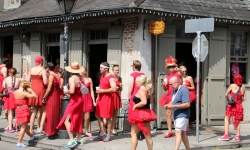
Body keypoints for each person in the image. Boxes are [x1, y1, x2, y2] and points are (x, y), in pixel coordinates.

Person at [56, 61, 84, 148]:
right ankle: (79, 139)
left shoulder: (72, 79)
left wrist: (65, 91)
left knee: (66, 120)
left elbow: (72, 91)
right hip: (80, 100)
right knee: (78, 119)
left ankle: (72, 140)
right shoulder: (80, 78)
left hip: (74, 101)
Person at [128, 75, 156, 150]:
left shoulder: (141, 90)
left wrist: (135, 106)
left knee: (133, 134)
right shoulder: (147, 90)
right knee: (147, 134)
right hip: (146, 113)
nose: (136, 83)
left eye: (137, 81)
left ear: (140, 82)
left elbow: (144, 102)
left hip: (139, 114)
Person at [159, 56, 183, 138]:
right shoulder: (167, 77)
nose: (171, 68)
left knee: (178, 112)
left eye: (173, 66)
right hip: (170, 95)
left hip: (178, 94)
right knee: (168, 113)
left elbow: (183, 74)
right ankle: (170, 131)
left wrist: (178, 69)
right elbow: (165, 89)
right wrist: (164, 84)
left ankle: (179, 129)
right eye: (169, 67)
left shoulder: (178, 73)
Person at [165, 76, 191, 150]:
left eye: (171, 84)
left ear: (177, 82)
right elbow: (174, 101)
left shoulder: (184, 90)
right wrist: (168, 105)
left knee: (178, 132)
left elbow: (187, 104)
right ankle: (188, 149)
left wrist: (173, 106)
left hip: (182, 115)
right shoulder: (175, 90)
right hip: (177, 115)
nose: (170, 86)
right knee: (182, 133)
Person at [218, 74, 246, 142]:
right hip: (239, 106)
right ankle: (237, 136)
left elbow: (226, 94)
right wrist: (239, 101)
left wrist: (228, 100)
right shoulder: (243, 87)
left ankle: (226, 135)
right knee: (237, 121)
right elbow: (244, 98)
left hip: (232, 105)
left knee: (226, 119)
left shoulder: (232, 85)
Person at [94, 62, 116, 142]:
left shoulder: (111, 77)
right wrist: (98, 97)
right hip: (101, 98)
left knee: (107, 117)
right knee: (98, 115)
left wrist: (102, 91)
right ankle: (102, 133)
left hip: (107, 99)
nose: (100, 69)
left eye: (101, 68)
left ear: (106, 69)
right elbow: (101, 86)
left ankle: (108, 135)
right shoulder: (102, 76)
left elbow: (113, 89)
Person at [14, 81, 38, 148]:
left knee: (24, 125)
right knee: (23, 127)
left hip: (18, 109)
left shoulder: (15, 92)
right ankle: (19, 142)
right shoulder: (24, 93)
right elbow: (34, 96)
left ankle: (31, 136)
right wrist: (31, 90)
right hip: (24, 109)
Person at [27, 56, 47, 134]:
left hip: (33, 89)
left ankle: (31, 129)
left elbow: (28, 81)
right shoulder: (42, 70)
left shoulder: (31, 70)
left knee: (34, 111)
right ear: (41, 61)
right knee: (43, 109)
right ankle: (40, 127)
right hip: (40, 90)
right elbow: (45, 82)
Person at [127, 60, 145, 140]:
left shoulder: (133, 74)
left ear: (134, 66)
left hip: (135, 95)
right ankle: (141, 133)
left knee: (134, 113)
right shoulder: (143, 74)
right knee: (140, 114)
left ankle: (135, 132)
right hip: (142, 94)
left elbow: (131, 85)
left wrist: (128, 95)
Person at [43, 62, 60, 139]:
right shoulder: (57, 75)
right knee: (55, 114)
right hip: (56, 95)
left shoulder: (51, 76)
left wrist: (44, 97)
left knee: (50, 114)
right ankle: (55, 131)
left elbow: (49, 88)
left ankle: (50, 132)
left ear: (47, 68)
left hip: (51, 96)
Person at [2, 68, 21, 133]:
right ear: (15, 73)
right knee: (16, 111)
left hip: (9, 96)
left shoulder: (6, 79)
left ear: (9, 73)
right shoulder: (19, 79)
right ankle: (17, 126)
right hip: (17, 95)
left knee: (10, 112)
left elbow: (3, 86)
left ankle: (10, 127)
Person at [80, 67, 95, 137]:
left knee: (87, 117)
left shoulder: (89, 79)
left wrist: (94, 101)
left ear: (85, 71)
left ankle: (86, 131)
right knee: (80, 116)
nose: (80, 71)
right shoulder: (78, 79)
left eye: (81, 70)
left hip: (88, 98)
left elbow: (91, 90)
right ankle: (79, 131)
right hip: (80, 98)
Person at [180, 66, 196, 133]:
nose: (184, 72)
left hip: (188, 95)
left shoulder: (189, 78)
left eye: (185, 71)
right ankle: (181, 127)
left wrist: (186, 87)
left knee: (186, 111)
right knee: (181, 112)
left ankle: (187, 128)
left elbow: (193, 87)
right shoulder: (179, 78)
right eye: (183, 71)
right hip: (181, 95)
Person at [111, 64, 123, 136]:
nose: (117, 71)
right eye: (115, 70)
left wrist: (121, 87)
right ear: (113, 70)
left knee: (115, 113)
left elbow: (121, 89)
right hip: (111, 96)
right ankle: (107, 127)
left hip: (117, 96)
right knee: (109, 113)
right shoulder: (111, 78)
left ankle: (113, 128)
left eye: (118, 70)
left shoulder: (120, 78)